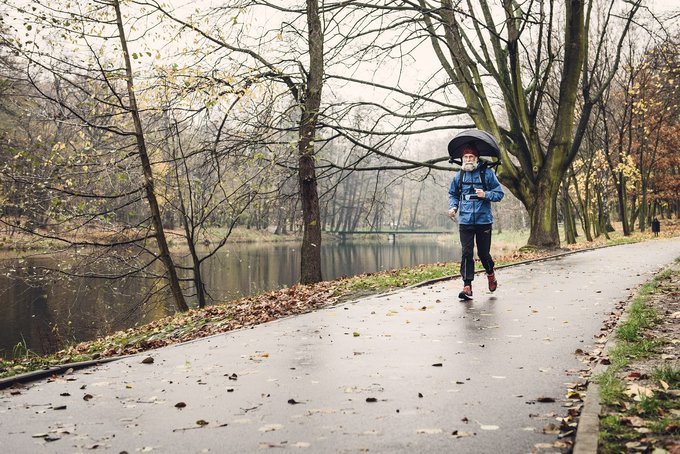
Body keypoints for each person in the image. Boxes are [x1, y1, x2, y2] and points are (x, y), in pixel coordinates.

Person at [448, 144, 504, 300]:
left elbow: (499, 194)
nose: (468, 160)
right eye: (465, 157)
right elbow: (453, 194)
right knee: (466, 253)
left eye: (471, 157)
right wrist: (453, 207)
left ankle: (490, 273)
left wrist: (485, 194)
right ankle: (467, 286)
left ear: (476, 159)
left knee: (483, 253)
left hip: (483, 220)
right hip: (465, 220)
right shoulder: (458, 176)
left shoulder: (487, 174)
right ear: (462, 159)